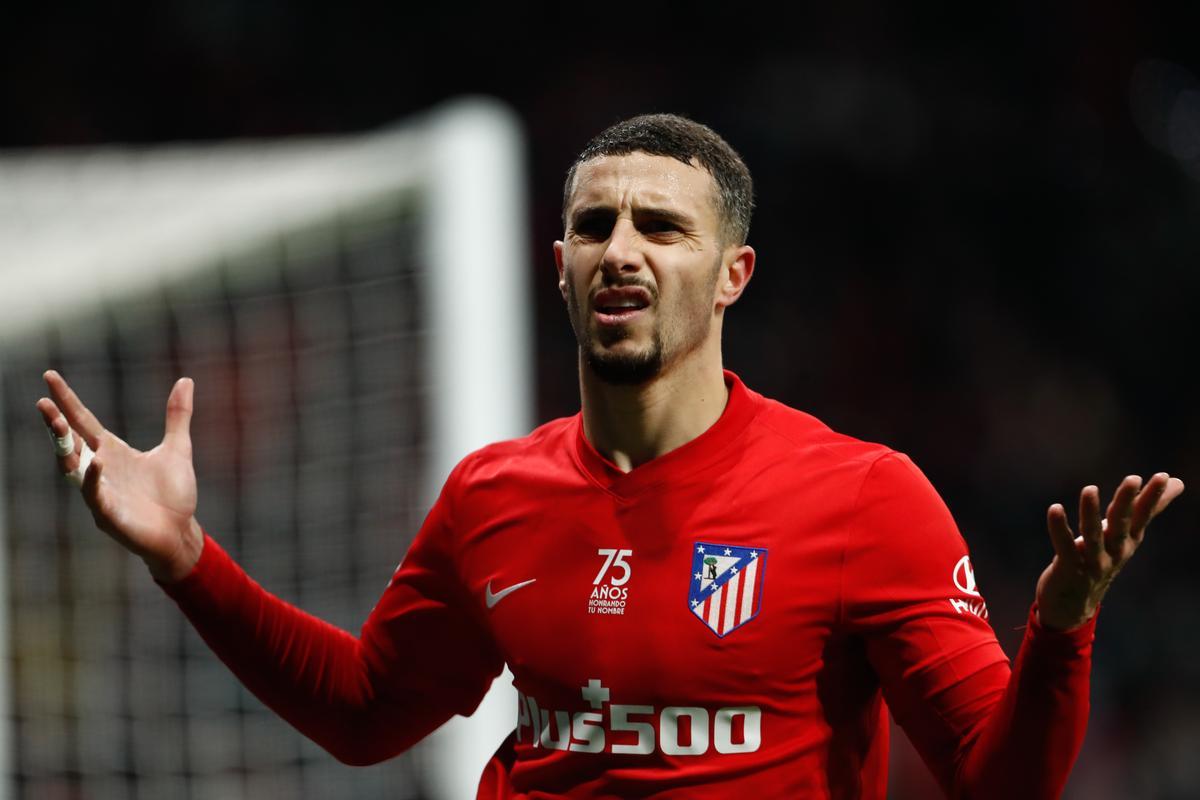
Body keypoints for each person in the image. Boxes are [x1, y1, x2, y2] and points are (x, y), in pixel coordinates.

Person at [36, 113, 1183, 799]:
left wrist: (1064, 624)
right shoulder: (495, 494)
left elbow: (1003, 781)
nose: (621, 251)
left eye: (662, 227)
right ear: (560, 262)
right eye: (595, 226)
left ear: (732, 272)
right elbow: (366, 711)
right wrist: (188, 557)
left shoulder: (862, 498)